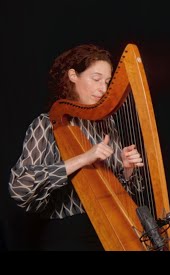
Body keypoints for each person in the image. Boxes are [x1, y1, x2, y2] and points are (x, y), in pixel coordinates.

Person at [9, 44, 144, 250]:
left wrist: (126, 169)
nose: (103, 89)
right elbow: (20, 188)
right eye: (96, 79)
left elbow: (118, 192)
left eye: (107, 82)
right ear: (73, 75)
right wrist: (83, 158)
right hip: (68, 235)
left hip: (113, 227)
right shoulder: (46, 125)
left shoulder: (106, 124)